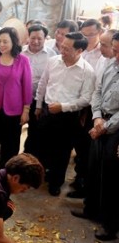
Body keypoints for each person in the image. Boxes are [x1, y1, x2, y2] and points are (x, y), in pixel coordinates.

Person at [70, 30, 119, 242]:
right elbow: (97, 91)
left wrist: (106, 125)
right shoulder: (109, 64)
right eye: (114, 50)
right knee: (94, 168)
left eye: (116, 50)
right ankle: (91, 209)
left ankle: (110, 225)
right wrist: (97, 117)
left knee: (112, 178)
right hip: (102, 121)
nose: (114, 54)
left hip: (115, 129)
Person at [35, 32, 95, 196]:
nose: (62, 50)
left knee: (62, 151)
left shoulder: (87, 71)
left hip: (68, 117)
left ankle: (56, 183)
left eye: (67, 48)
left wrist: (63, 107)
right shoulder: (53, 62)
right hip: (48, 111)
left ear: (79, 50)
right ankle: (41, 176)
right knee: (43, 147)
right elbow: (43, 84)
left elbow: (86, 98)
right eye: (62, 46)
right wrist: (39, 105)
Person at [0, 27, 32, 170]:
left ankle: (4, 172)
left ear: (14, 42)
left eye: (5, 41)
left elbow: (27, 87)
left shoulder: (23, 61)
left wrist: (26, 110)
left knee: (10, 145)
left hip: (14, 110)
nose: (1, 44)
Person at [69, 18, 104, 198]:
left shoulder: (104, 53)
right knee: (79, 143)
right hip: (78, 102)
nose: (88, 37)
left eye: (92, 34)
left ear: (99, 33)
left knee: (89, 146)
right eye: (85, 34)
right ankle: (79, 177)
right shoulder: (80, 50)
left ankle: (85, 183)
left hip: (95, 106)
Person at [22, 24, 56, 156]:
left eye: (39, 38)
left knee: (36, 133)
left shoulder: (52, 55)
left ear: (45, 38)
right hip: (20, 99)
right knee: (14, 131)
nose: (36, 41)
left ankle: (29, 159)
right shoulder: (20, 53)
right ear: (28, 37)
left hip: (39, 100)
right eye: (33, 38)